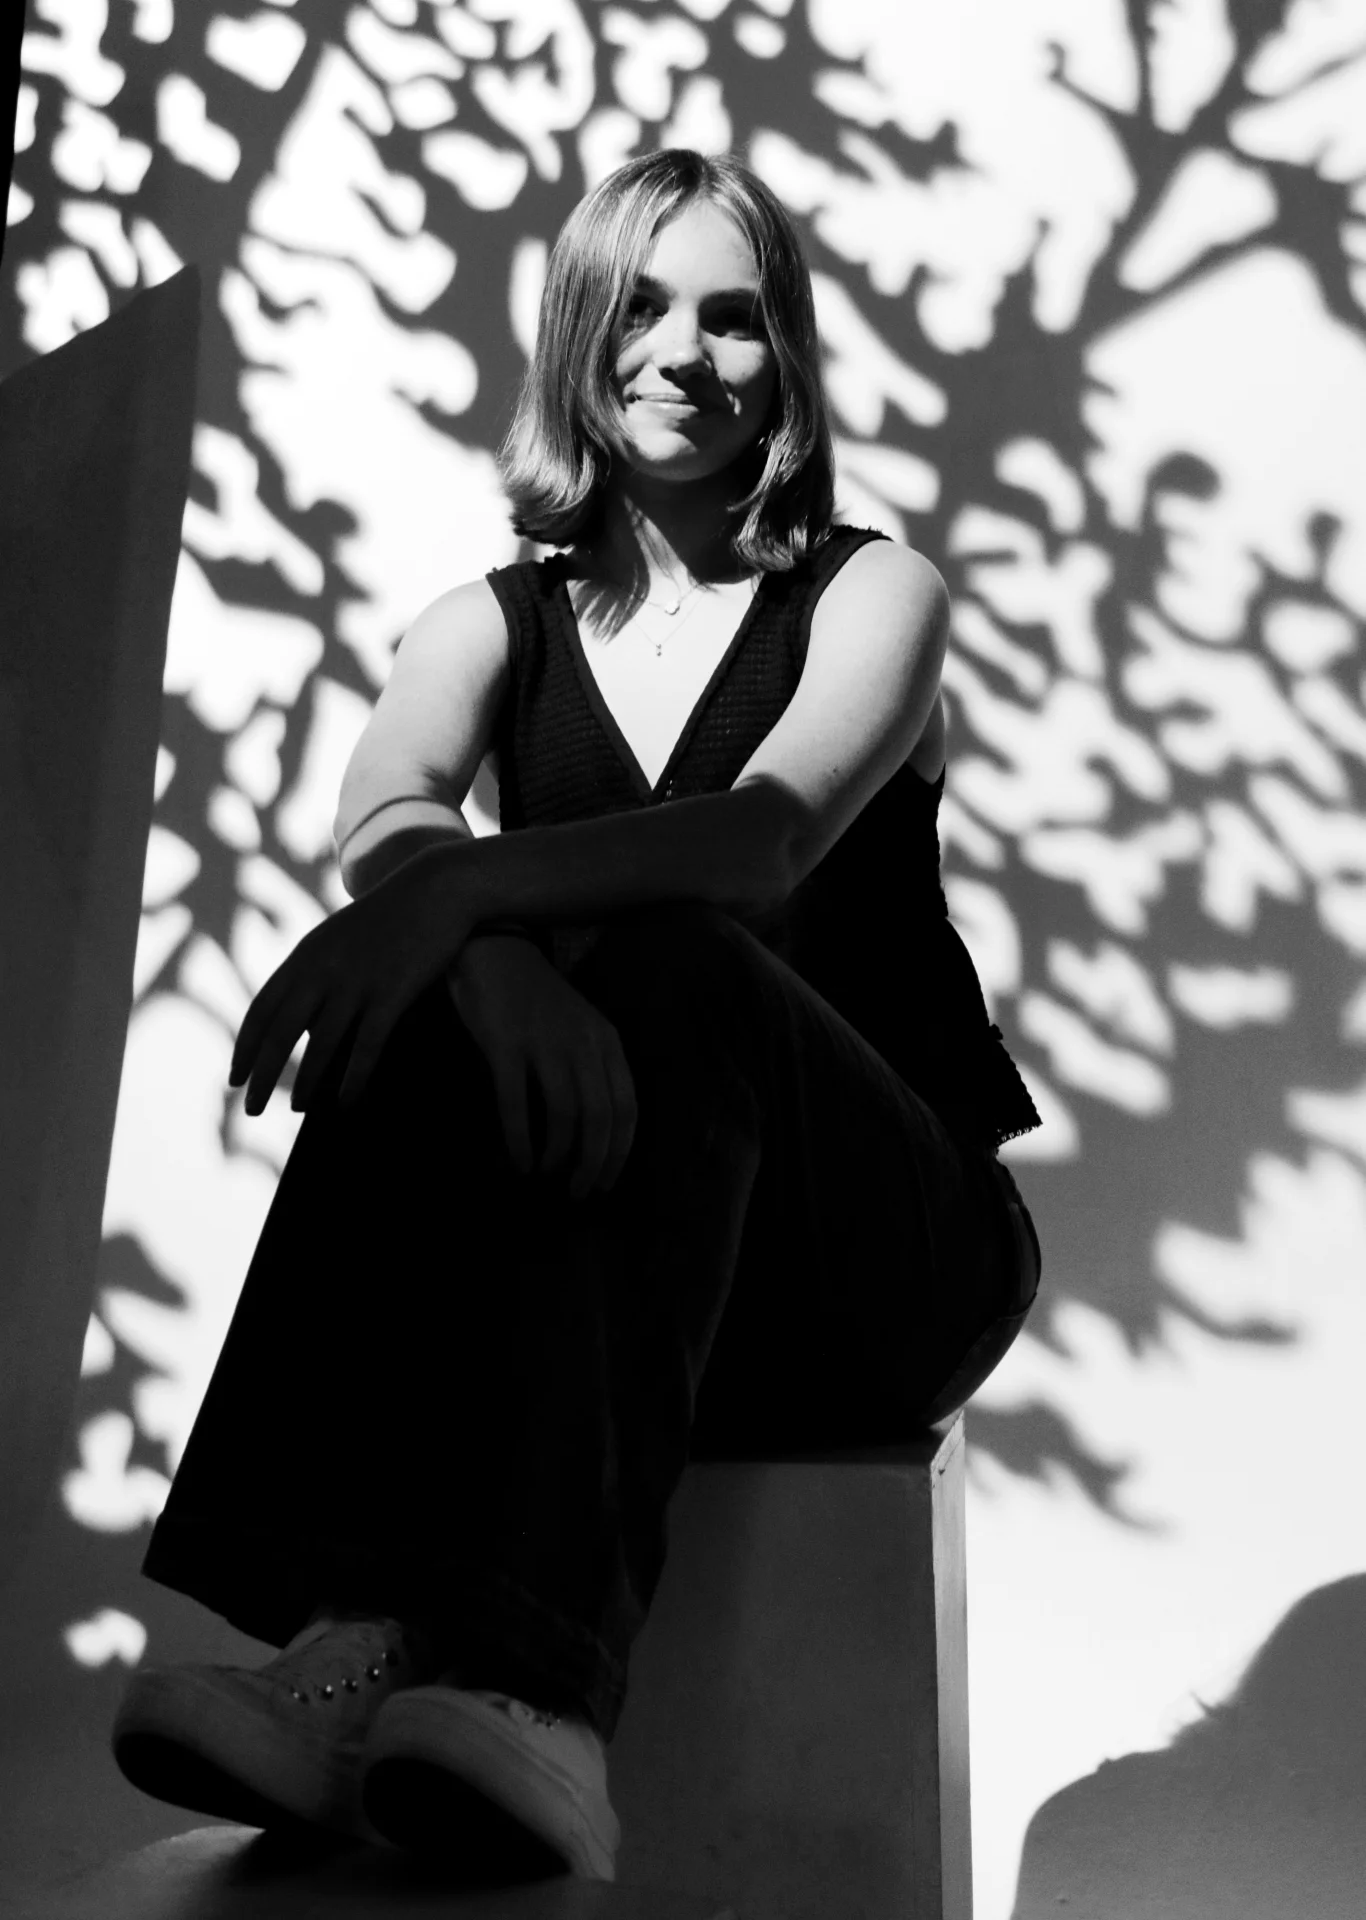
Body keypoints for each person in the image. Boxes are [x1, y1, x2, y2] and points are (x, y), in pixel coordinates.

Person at [110, 148, 1043, 1886]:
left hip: (879, 1255)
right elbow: (389, 809)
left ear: (787, 357)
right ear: (573, 339)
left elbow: (758, 844)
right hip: (636, 1261)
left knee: (674, 960)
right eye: (639, 308)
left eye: (733, 317)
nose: (684, 353)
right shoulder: (483, 627)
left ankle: (539, 1687)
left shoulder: (871, 592)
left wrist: (458, 900)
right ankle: (345, 1640)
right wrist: (471, 951)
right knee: (425, 996)